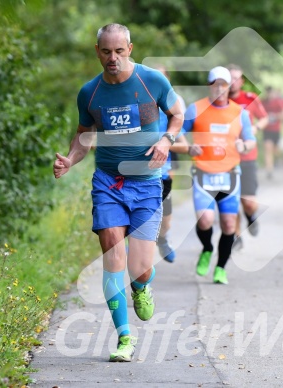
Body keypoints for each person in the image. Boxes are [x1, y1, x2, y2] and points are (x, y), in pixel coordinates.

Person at [52, 24, 184, 362]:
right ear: (97, 51)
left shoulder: (151, 81)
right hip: (108, 183)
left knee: (139, 268)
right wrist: (70, 159)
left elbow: (177, 113)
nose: (113, 58)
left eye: (119, 51)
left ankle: (141, 286)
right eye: (106, 51)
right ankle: (124, 336)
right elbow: (84, 136)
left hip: (146, 184)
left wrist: (166, 140)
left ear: (130, 48)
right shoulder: (90, 93)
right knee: (113, 256)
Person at [184, 66, 256, 284]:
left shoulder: (239, 113)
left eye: (224, 85)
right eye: (215, 85)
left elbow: (251, 139)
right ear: (209, 86)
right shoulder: (195, 109)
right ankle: (207, 248)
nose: (220, 89)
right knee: (205, 221)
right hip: (203, 174)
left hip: (230, 174)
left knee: (228, 224)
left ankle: (221, 268)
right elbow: (177, 133)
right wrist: (188, 147)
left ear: (229, 86)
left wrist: (244, 145)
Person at [227, 64, 268, 250]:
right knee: (231, 201)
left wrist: (256, 128)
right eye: (230, 78)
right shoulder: (219, 101)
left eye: (236, 78)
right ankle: (236, 237)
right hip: (226, 158)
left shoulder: (250, 99)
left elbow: (264, 118)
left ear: (242, 81)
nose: (233, 82)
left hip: (248, 156)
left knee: (248, 202)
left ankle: (251, 217)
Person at [152, 65, 189, 263]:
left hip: (164, 165)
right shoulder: (136, 104)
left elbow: (184, 145)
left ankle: (164, 238)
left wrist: (163, 143)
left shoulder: (174, 103)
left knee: (165, 221)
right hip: (137, 173)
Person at [262, 86, 283, 179]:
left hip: (276, 129)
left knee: (275, 150)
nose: (270, 95)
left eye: (271, 93)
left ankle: (277, 159)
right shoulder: (263, 102)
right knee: (268, 148)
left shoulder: (278, 101)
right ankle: (269, 170)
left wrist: (276, 116)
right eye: (268, 93)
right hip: (266, 130)